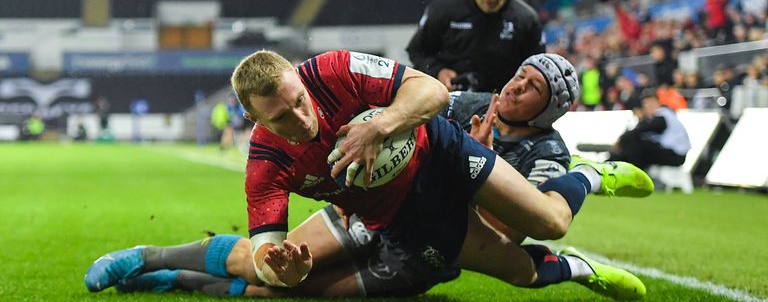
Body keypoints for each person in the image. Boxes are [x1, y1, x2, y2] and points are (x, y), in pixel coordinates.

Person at [85, 51, 652, 300]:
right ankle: (157, 264)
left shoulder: (333, 70)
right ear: (252, 119)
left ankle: (592, 175)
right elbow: (267, 249)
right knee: (280, 289)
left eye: (300, 101)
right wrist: (282, 265)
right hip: (400, 218)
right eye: (280, 117)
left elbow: (430, 89)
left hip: (445, 156)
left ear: (301, 79)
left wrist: (383, 124)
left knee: (552, 220)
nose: (302, 118)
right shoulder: (265, 166)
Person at [406, 0, 545, 93]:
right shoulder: (442, 11)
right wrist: (438, 71)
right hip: (448, 102)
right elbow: (416, 51)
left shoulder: (527, 21)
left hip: (504, 107)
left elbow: (537, 70)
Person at [608, 89, 691, 170]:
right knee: (632, 145)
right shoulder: (655, 117)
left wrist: (623, 138)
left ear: (658, 103)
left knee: (636, 144)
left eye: (652, 103)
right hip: (669, 151)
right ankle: (615, 164)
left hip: (676, 154)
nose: (649, 107)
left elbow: (651, 127)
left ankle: (629, 171)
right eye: (647, 104)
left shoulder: (664, 113)